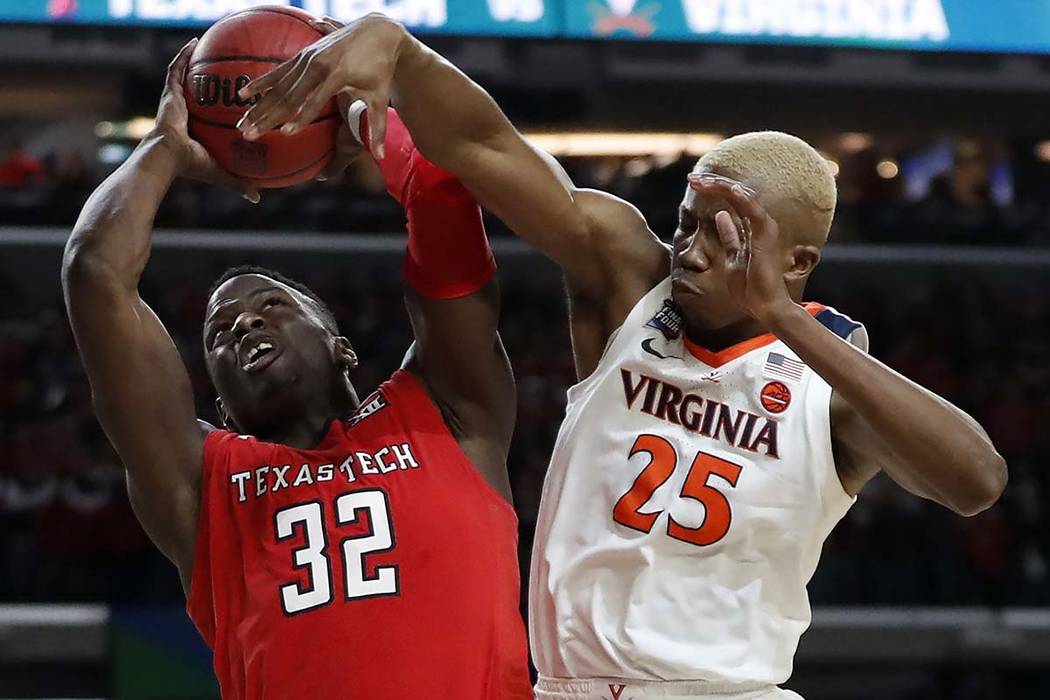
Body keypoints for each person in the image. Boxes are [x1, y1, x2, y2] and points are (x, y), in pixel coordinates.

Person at [238, 15, 1010, 700]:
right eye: (688, 221)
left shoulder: (832, 385)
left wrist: (778, 313)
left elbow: (976, 482)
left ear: (798, 260)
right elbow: (482, 147)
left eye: (725, 237)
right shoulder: (628, 283)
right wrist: (400, 54)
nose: (690, 252)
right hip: (563, 686)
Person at [62, 39, 531, 700]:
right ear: (222, 406)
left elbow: (439, 193)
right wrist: (164, 147)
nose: (246, 323)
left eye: (272, 306)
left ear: (342, 346)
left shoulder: (447, 408)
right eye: (220, 331)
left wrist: (368, 116)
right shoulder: (205, 485)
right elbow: (95, 273)